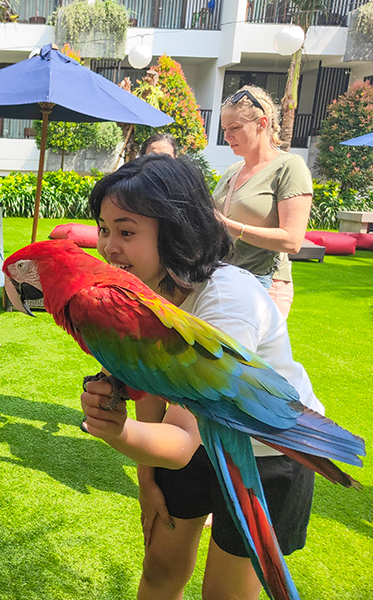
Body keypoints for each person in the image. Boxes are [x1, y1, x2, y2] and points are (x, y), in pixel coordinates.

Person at [81, 154, 323, 600]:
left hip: (265, 451)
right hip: (189, 443)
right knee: (160, 571)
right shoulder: (140, 294)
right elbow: (155, 393)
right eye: (104, 228)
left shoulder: (227, 304)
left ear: (175, 231)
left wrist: (114, 430)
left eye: (126, 231)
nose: (108, 246)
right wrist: (148, 483)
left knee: (224, 595)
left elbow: (180, 443)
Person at [213, 85, 313, 319]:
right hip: (225, 280)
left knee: (252, 356)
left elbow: (292, 241)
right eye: (225, 128)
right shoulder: (232, 171)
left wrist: (229, 226)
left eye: (235, 128)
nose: (227, 136)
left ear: (262, 123)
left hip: (265, 283)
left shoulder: (289, 167)